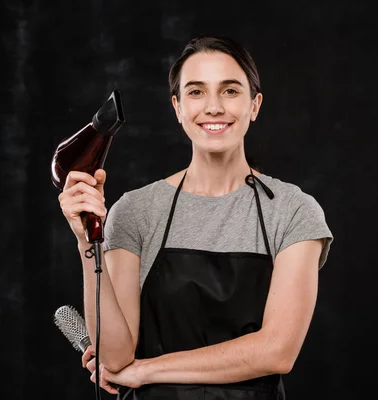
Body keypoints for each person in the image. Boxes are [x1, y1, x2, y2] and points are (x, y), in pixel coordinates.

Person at [58, 34, 333, 399]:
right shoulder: (136, 211)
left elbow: (276, 351)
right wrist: (85, 241)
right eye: (197, 92)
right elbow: (116, 356)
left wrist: (147, 370)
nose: (214, 107)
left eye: (231, 91)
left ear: (255, 105)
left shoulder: (292, 210)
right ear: (177, 107)